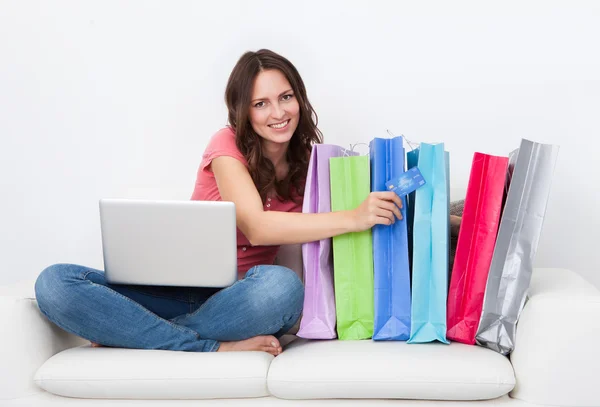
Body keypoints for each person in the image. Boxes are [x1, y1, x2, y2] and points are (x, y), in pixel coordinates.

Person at [34, 49, 460, 356]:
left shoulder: (312, 163)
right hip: (168, 290)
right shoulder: (226, 146)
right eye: (261, 103)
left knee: (283, 287)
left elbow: (350, 223)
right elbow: (257, 226)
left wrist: (443, 214)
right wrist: (353, 217)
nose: (278, 112)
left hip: (238, 299)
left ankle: (133, 336)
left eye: (286, 97)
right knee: (55, 282)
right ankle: (207, 347)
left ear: (300, 99)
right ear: (244, 111)